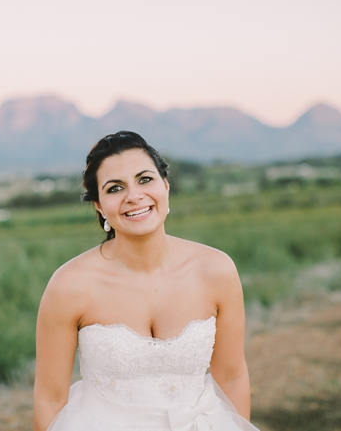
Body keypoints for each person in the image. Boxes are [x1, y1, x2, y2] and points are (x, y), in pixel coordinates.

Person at [33, 131, 259, 430]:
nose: (134, 196)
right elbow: (49, 397)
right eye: (115, 188)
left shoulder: (216, 270)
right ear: (99, 205)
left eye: (144, 179)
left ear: (165, 187)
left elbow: (232, 376)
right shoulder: (69, 285)